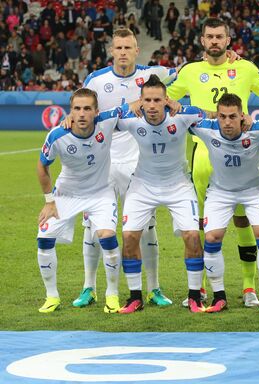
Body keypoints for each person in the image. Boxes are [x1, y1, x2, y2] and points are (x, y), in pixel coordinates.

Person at [167, 18, 259, 308]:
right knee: (200, 224)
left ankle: (249, 288)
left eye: (219, 36)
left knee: (244, 219)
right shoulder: (190, 71)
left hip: (240, 152)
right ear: (202, 41)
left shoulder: (245, 68)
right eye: (209, 37)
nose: (214, 41)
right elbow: (163, 99)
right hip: (203, 154)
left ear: (228, 39)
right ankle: (201, 289)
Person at [75, 28, 179, 313]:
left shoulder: (152, 75)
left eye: (128, 48)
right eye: (118, 47)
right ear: (112, 50)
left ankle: (154, 287)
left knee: (146, 228)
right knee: (94, 226)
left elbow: (186, 72)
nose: (123, 52)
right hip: (103, 161)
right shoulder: (96, 80)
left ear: (136, 50)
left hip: (139, 161)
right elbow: (82, 111)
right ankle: (89, 288)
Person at [116, 75, 205, 314]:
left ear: (166, 100)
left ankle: (195, 296)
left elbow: (218, 116)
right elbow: (96, 120)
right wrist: (126, 107)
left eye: (158, 100)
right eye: (148, 100)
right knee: (130, 238)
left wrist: (245, 118)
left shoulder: (183, 115)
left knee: (192, 238)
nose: (153, 105)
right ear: (141, 102)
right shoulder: (131, 119)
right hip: (143, 185)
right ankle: (135, 296)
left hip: (178, 185)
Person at [188, 93, 259, 314]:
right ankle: (219, 297)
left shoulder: (257, 129)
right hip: (220, 191)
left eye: (232, 116)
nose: (227, 122)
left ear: (242, 116)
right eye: (222, 116)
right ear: (217, 116)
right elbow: (182, 116)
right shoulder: (207, 128)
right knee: (211, 237)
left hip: (254, 190)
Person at [36, 89, 123, 313]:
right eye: (77, 109)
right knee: (44, 238)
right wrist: (49, 201)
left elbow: (137, 105)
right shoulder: (57, 135)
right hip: (67, 194)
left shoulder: (108, 120)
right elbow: (42, 166)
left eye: (87, 108)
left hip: (101, 193)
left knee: (107, 236)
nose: (82, 113)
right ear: (70, 112)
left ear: (96, 111)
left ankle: (111, 295)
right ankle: (51, 296)